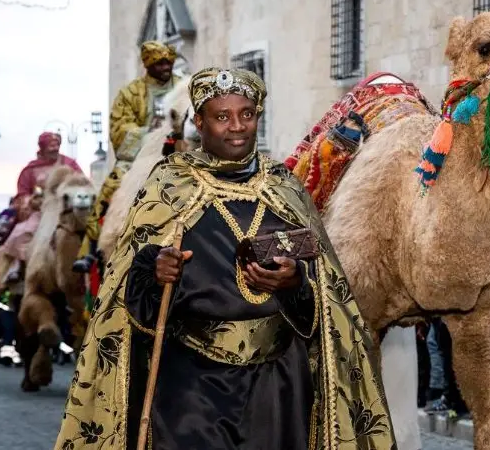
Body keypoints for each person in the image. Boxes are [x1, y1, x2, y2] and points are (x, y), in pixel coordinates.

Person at [55, 67, 393, 450]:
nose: (237, 127)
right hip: (191, 391)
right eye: (222, 117)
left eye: (246, 114)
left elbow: (328, 293)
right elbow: (129, 294)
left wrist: (295, 283)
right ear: (199, 122)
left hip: (278, 388)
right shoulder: (168, 185)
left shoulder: (285, 186)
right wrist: (153, 273)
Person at [74, 41, 183, 274]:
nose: (166, 67)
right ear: (149, 64)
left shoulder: (184, 86)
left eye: (169, 62)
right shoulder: (130, 93)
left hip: (181, 148)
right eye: (161, 63)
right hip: (142, 154)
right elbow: (119, 129)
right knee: (111, 189)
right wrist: (148, 132)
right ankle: (93, 249)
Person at [16, 132, 83, 203]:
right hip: (40, 209)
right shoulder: (30, 170)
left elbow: (82, 181)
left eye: (57, 145)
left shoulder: (69, 163)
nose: (56, 148)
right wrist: (32, 200)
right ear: (43, 149)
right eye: (52, 146)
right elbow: (23, 195)